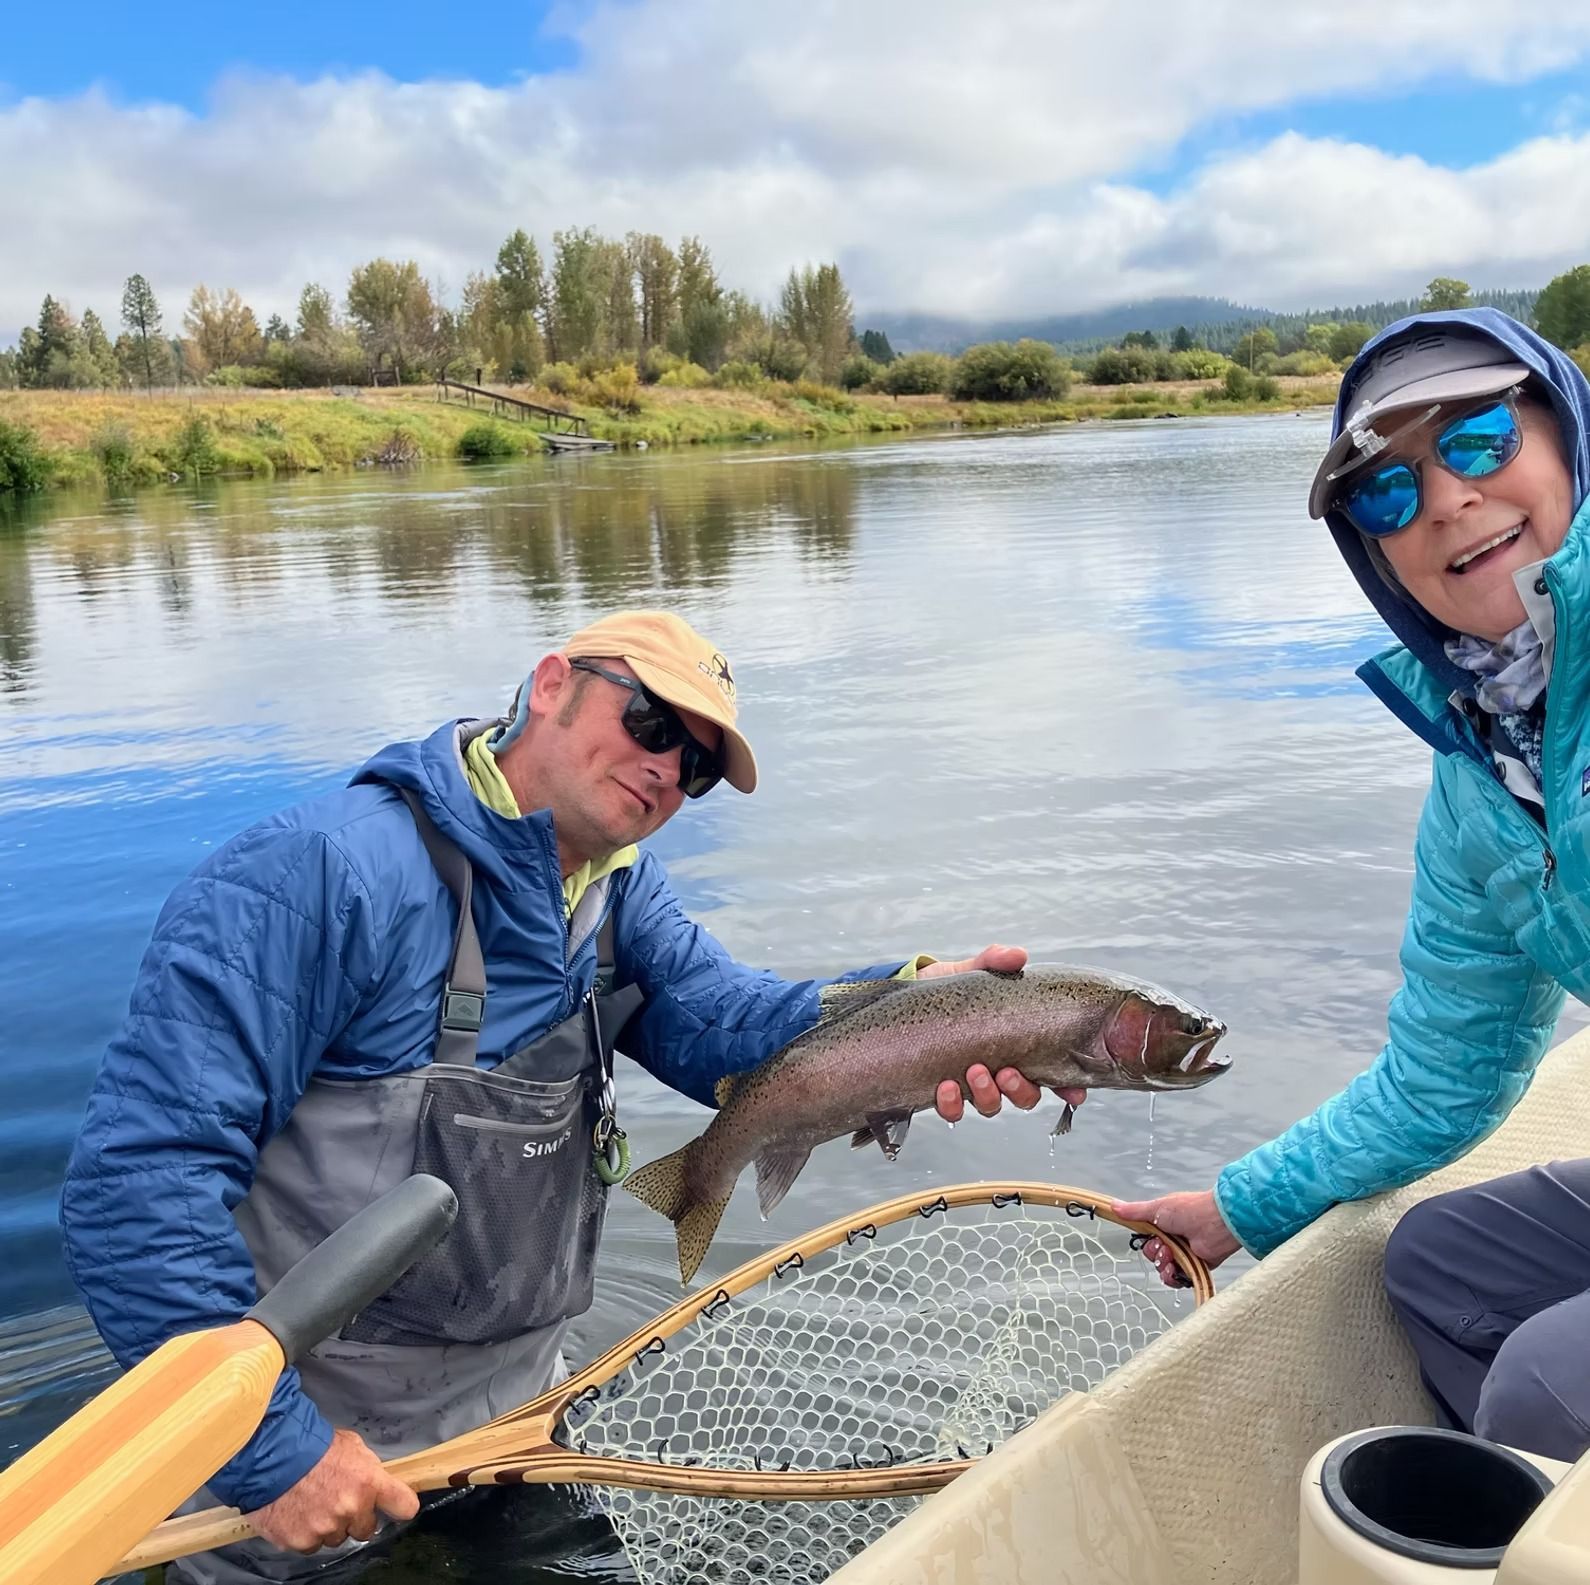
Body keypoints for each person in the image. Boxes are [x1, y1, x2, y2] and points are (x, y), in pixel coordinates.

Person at [59, 609, 1075, 1582]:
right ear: (551, 684)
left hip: (524, 1420)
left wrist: (917, 1009)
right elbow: (135, 1187)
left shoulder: (618, 891)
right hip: (306, 1443)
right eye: (652, 723)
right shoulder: (314, 878)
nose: (668, 768)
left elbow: (729, 1025)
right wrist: (272, 1452)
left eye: (700, 765)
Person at [1105, 307, 1590, 1463]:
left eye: (1477, 439)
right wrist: (1235, 1205)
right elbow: (1442, 1076)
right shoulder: (1481, 778)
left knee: (1543, 1385)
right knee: (1437, 1268)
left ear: (1565, 432)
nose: (1446, 501)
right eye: (1386, 492)